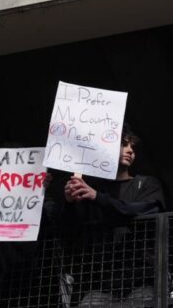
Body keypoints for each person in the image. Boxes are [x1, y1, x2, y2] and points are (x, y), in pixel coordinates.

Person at [57, 127, 164, 307]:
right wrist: (69, 203)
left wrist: (98, 198)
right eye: (123, 145)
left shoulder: (146, 184)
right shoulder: (92, 189)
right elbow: (70, 231)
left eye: (132, 147)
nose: (130, 150)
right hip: (100, 283)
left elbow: (144, 210)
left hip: (141, 279)